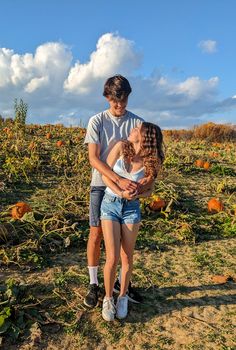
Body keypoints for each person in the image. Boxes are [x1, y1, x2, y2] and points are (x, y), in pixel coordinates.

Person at [83, 75, 153, 308]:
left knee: (124, 242)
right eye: (115, 102)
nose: (120, 106)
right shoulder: (97, 121)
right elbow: (94, 158)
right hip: (101, 184)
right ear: (107, 98)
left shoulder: (137, 123)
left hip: (127, 188)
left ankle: (123, 284)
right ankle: (94, 284)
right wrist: (117, 180)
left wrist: (140, 184)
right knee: (96, 234)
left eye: (124, 102)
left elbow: (148, 155)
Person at [100, 122, 164, 321]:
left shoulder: (152, 161)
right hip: (110, 203)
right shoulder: (121, 146)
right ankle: (108, 297)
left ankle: (123, 296)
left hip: (131, 210)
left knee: (126, 256)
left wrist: (137, 195)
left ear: (145, 137)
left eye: (137, 129)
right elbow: (105, 175)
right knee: (112, 257)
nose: (132, 129)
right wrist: (120, 191)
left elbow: (150, 190)